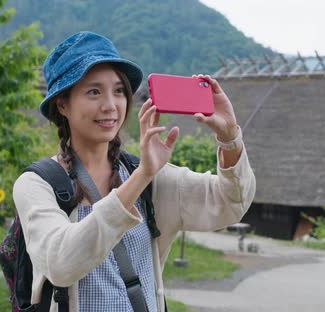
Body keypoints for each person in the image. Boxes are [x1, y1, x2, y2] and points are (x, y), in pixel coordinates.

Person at [13, 31, 256, 312]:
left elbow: (229, 204)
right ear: (62, 104)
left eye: (118, 91)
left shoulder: (155, 180)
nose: (110, 105)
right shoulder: (37, 184)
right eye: (94, 91)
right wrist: (141, 176)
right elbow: (61, 264)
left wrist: (229, 138)